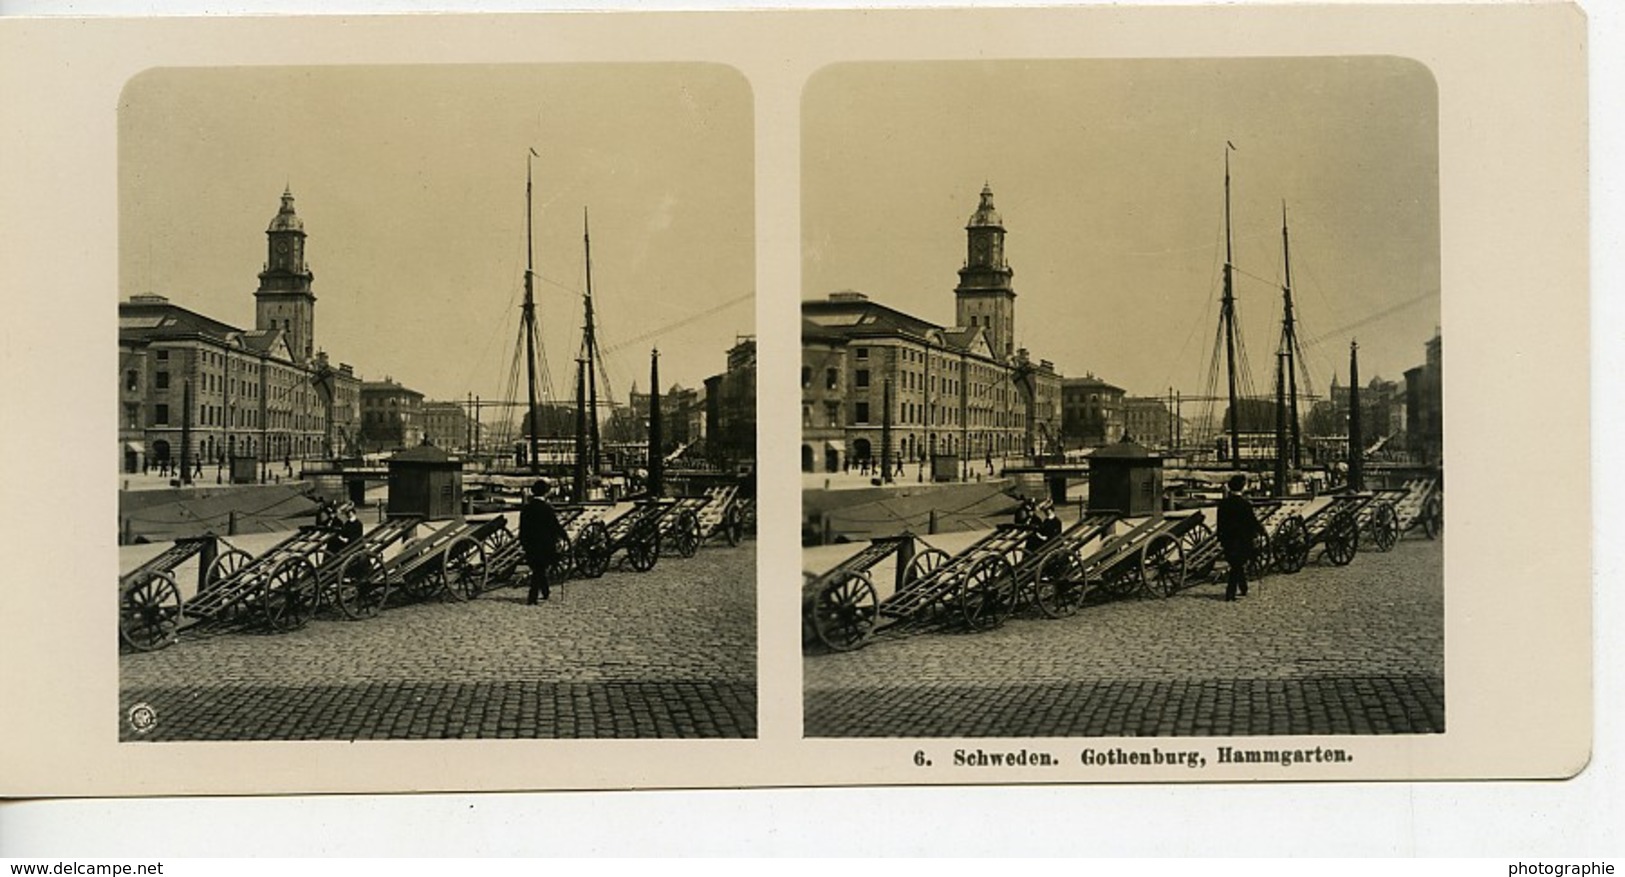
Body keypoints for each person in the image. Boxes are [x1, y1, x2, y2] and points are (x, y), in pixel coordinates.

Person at [1216, 473, 1267, 601]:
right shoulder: (1245, 505)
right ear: (1242, 488)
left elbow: (1220, 523)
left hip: (1228, 540)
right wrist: (1261, 531)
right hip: (1242, 540)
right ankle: (1230, 594)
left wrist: (1221, 538)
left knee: (1236, 564)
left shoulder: (1223, 504)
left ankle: (1243, 588)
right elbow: (1252, 522)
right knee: (1237, 565)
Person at [519, 478, 566, 604]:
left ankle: (545, 591)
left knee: (538, 568)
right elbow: (555, 526)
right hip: (545, 545)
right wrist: (564, 537)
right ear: (546, 493)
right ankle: (532, 597)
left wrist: (523, 542)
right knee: (539, 569)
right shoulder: (547, 509)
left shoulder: (526, 509)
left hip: (530, 544)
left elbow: (522, 528)